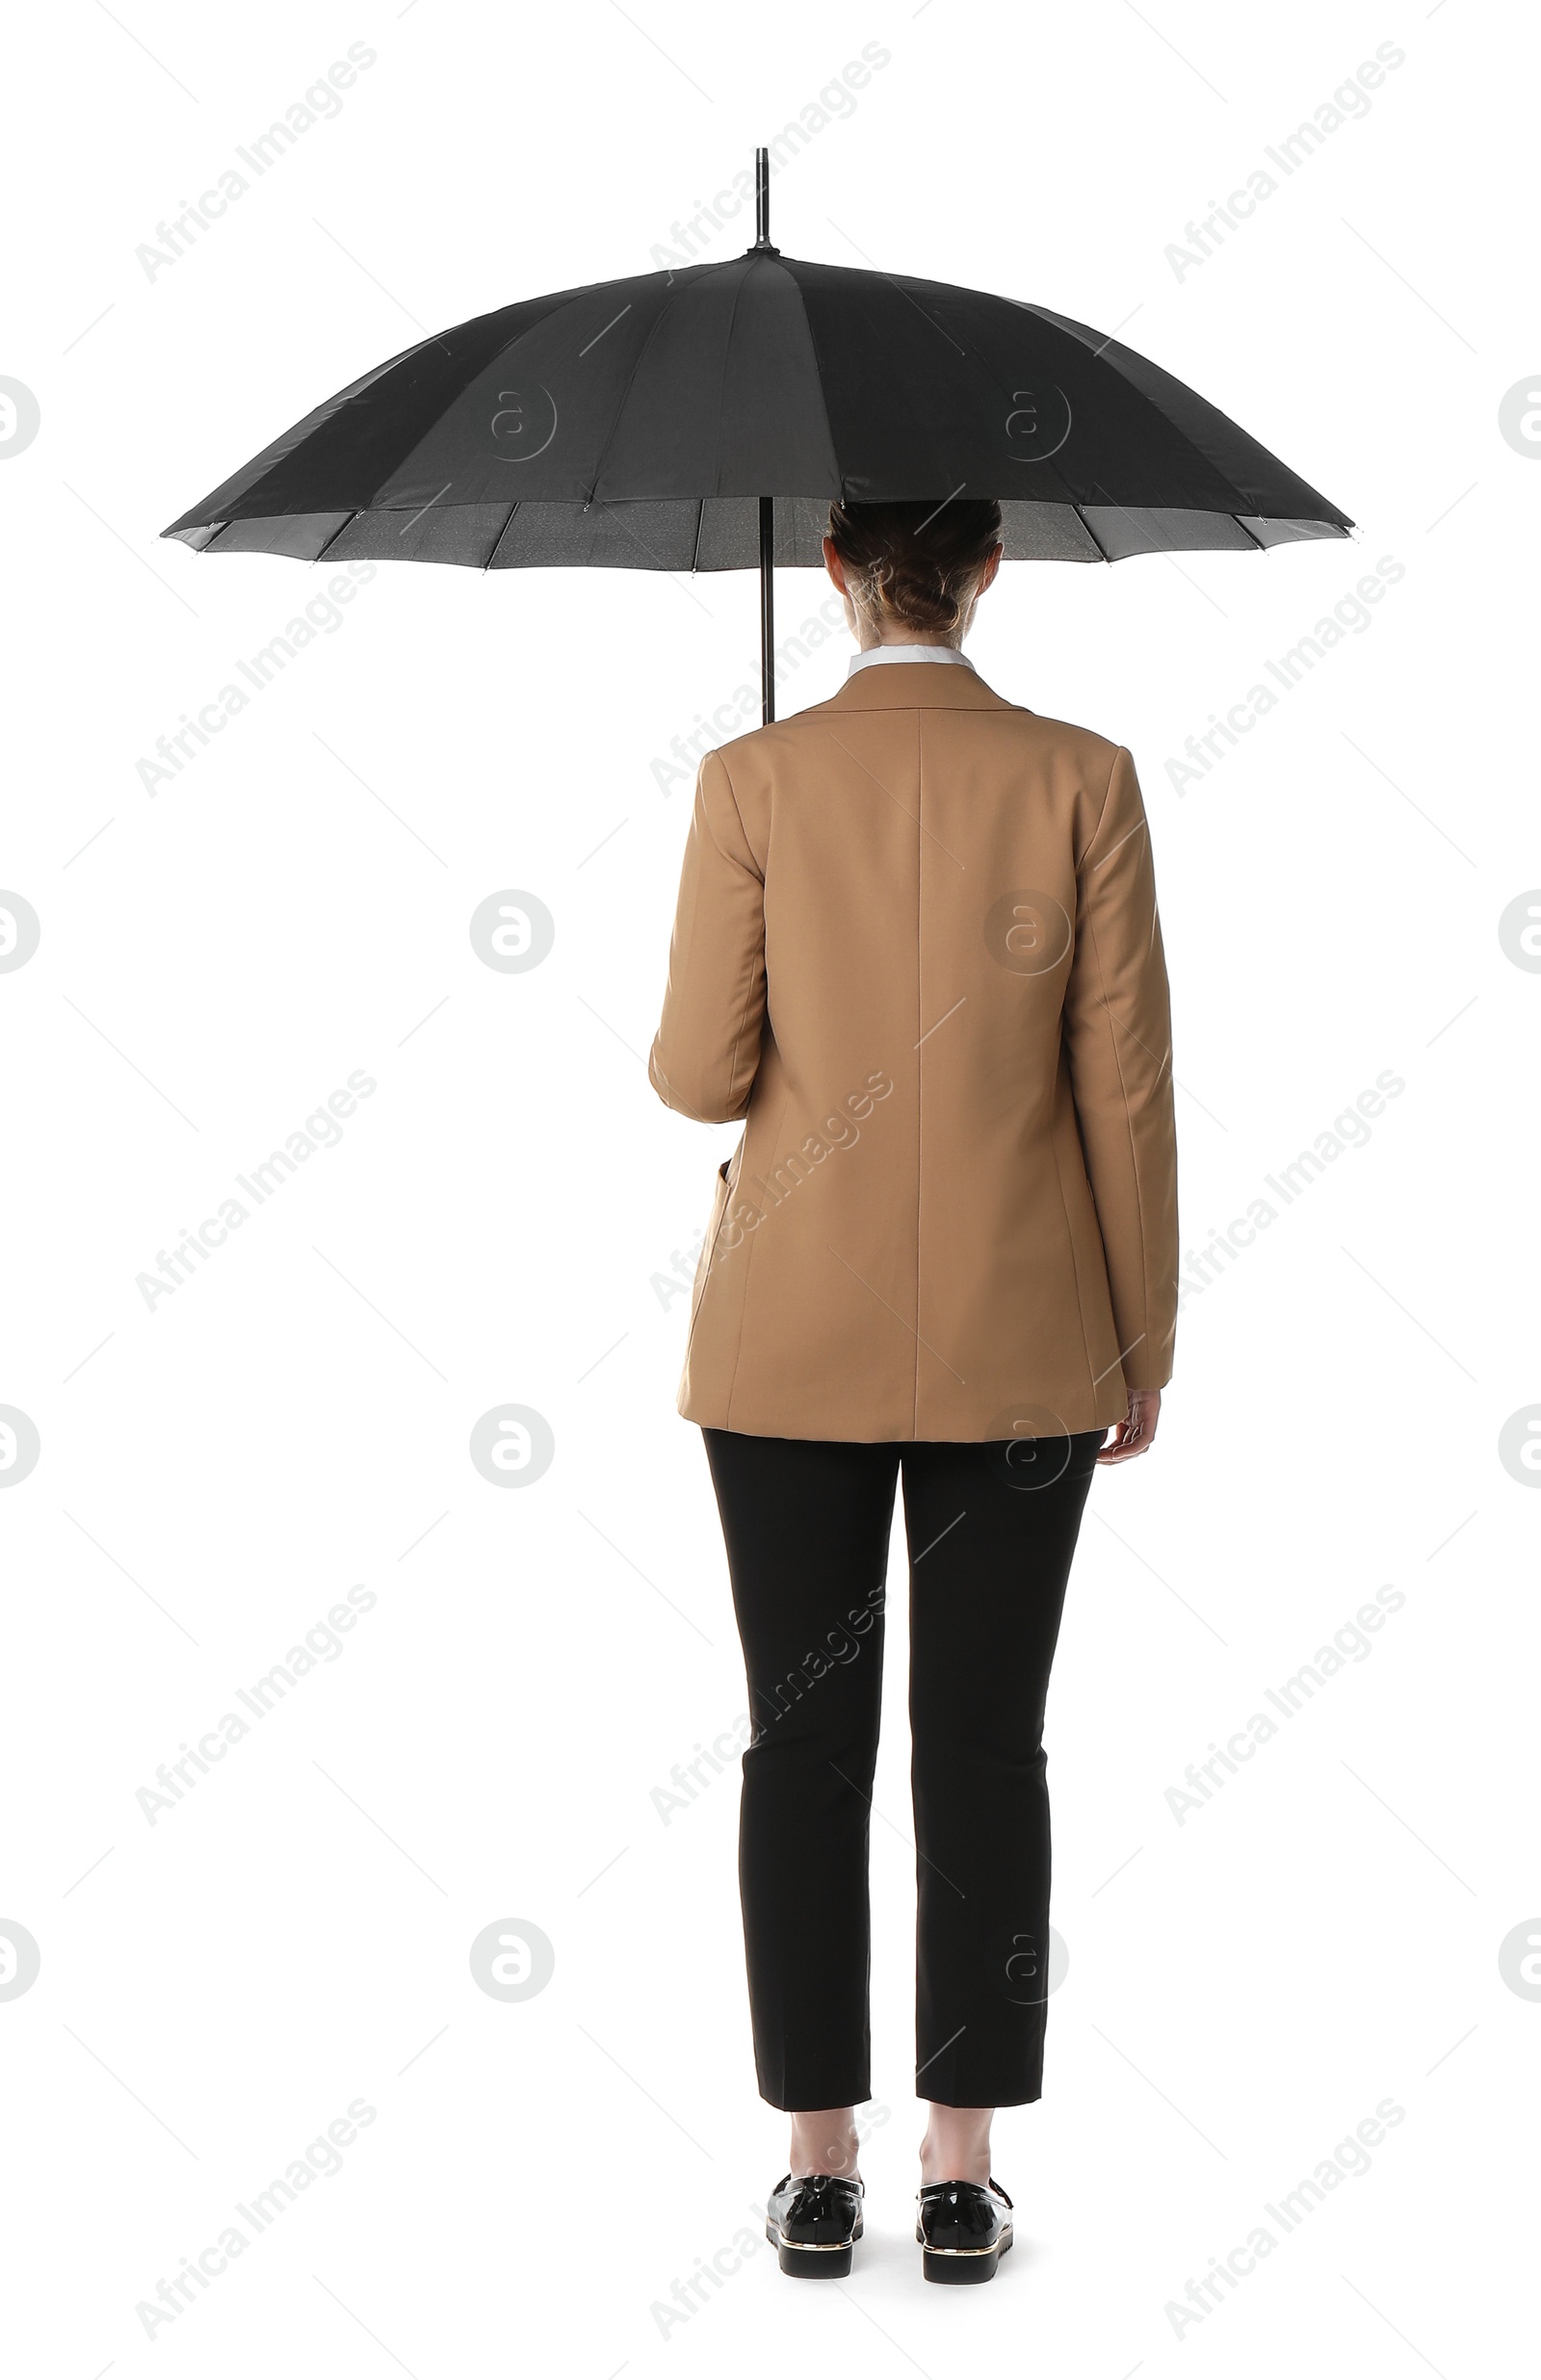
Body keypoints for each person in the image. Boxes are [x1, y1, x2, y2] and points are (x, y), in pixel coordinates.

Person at [647, 496, 1178, 2286]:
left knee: (803, 1746)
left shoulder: (750, 780)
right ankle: (960, 2169)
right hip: (1033, 1343)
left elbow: (696, 1076)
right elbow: (1129, 1095)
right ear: (996, 568)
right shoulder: (1085, 777)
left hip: (787, 1344)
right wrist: (1144, 1339)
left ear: (831, 575)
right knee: (982, 1744)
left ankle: (815, 2164)